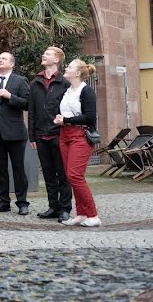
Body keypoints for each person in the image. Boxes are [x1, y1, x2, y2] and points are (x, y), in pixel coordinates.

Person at [0, 52, 31, 215]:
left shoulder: (20, 80)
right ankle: (3, 201)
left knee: (18, 168)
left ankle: (22, 203)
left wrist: (10, 96)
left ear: (12, 64)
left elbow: (27, 104)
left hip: (15, 133)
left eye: (3, 58)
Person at [29, 46, 72, 222]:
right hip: (40, 135)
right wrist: (32, 136)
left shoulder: (65, 83)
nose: (43, 55)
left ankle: (65, 208)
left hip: (59, 134)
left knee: (62, 174)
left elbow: (70, 109)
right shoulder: (35, 83)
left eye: (47, 54)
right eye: (44, 53)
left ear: (56, 60)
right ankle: (53, 206)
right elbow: (31, 111)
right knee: (47, 173)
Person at [55, 59, 101, 227]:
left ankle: (93, 215)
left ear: (78, 73)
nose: (66, 69)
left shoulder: (86, 91)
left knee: (75, 175)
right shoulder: (67, 91)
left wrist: (66, 119)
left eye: (69, 67)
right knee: (70, 176)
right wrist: (59, 118)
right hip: (64, 135)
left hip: (80, 135)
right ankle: (81, 213)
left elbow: (89, 117)